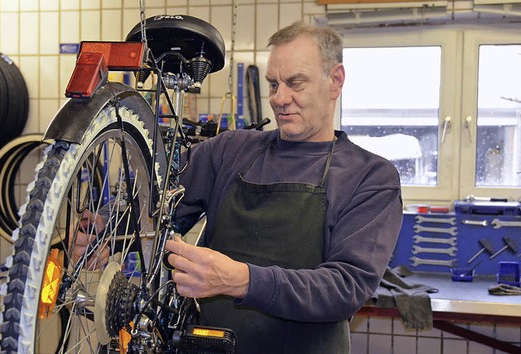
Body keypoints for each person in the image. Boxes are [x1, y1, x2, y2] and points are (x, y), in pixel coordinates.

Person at [163, 22, 403, 353]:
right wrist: (105, 232)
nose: (279, 98)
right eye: (274, 84)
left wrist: (241, 279)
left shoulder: (370, 177)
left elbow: (346, 288)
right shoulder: (227, 151)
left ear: (335, 81)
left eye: (295, 83)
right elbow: (156, 211)